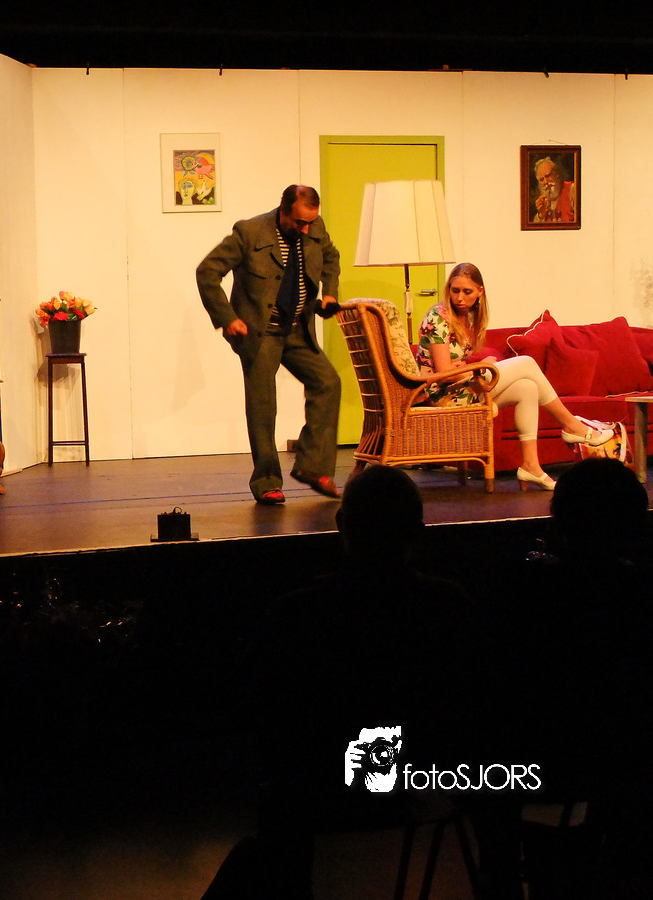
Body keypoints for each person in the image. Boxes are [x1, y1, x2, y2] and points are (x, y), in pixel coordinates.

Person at [200, 465, 479, 899]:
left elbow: (248, 705)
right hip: (418, 783)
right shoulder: (449, 607)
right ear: (418, 532)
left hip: (316, 789)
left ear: (341, 526)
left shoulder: (296, 615)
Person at [196, 185, 342, 504]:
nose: (306, 229)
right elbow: (207, 272)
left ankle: (312, 467)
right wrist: (228, 317)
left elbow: (331, 257)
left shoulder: (314, 227)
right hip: (260, 332)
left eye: (310, 222)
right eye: (300, 222)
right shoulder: (249, 233)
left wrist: (330, 292)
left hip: (298, 329)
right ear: (283, 211)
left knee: (328, 382)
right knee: (263, 404)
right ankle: (266, 480)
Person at [416, 262, 612, 490]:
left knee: (527, 388)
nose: (459, 298)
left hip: (462, 387)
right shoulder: (439, 317)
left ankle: (530, 466)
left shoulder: (469, 317)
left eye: (467, 292)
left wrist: (474, 368)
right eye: (455, 290)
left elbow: (456, 367)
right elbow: (443, 375)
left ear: (480, 292)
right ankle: (572, 426)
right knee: (527, 363)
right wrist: (480, 367)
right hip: (442, 396)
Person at [533, 157, 577, 224]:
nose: (546, 182)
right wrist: (541, 215)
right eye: (541, 180)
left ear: (556, 174)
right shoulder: (542, 202)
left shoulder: (572, 189)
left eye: (548, 176)